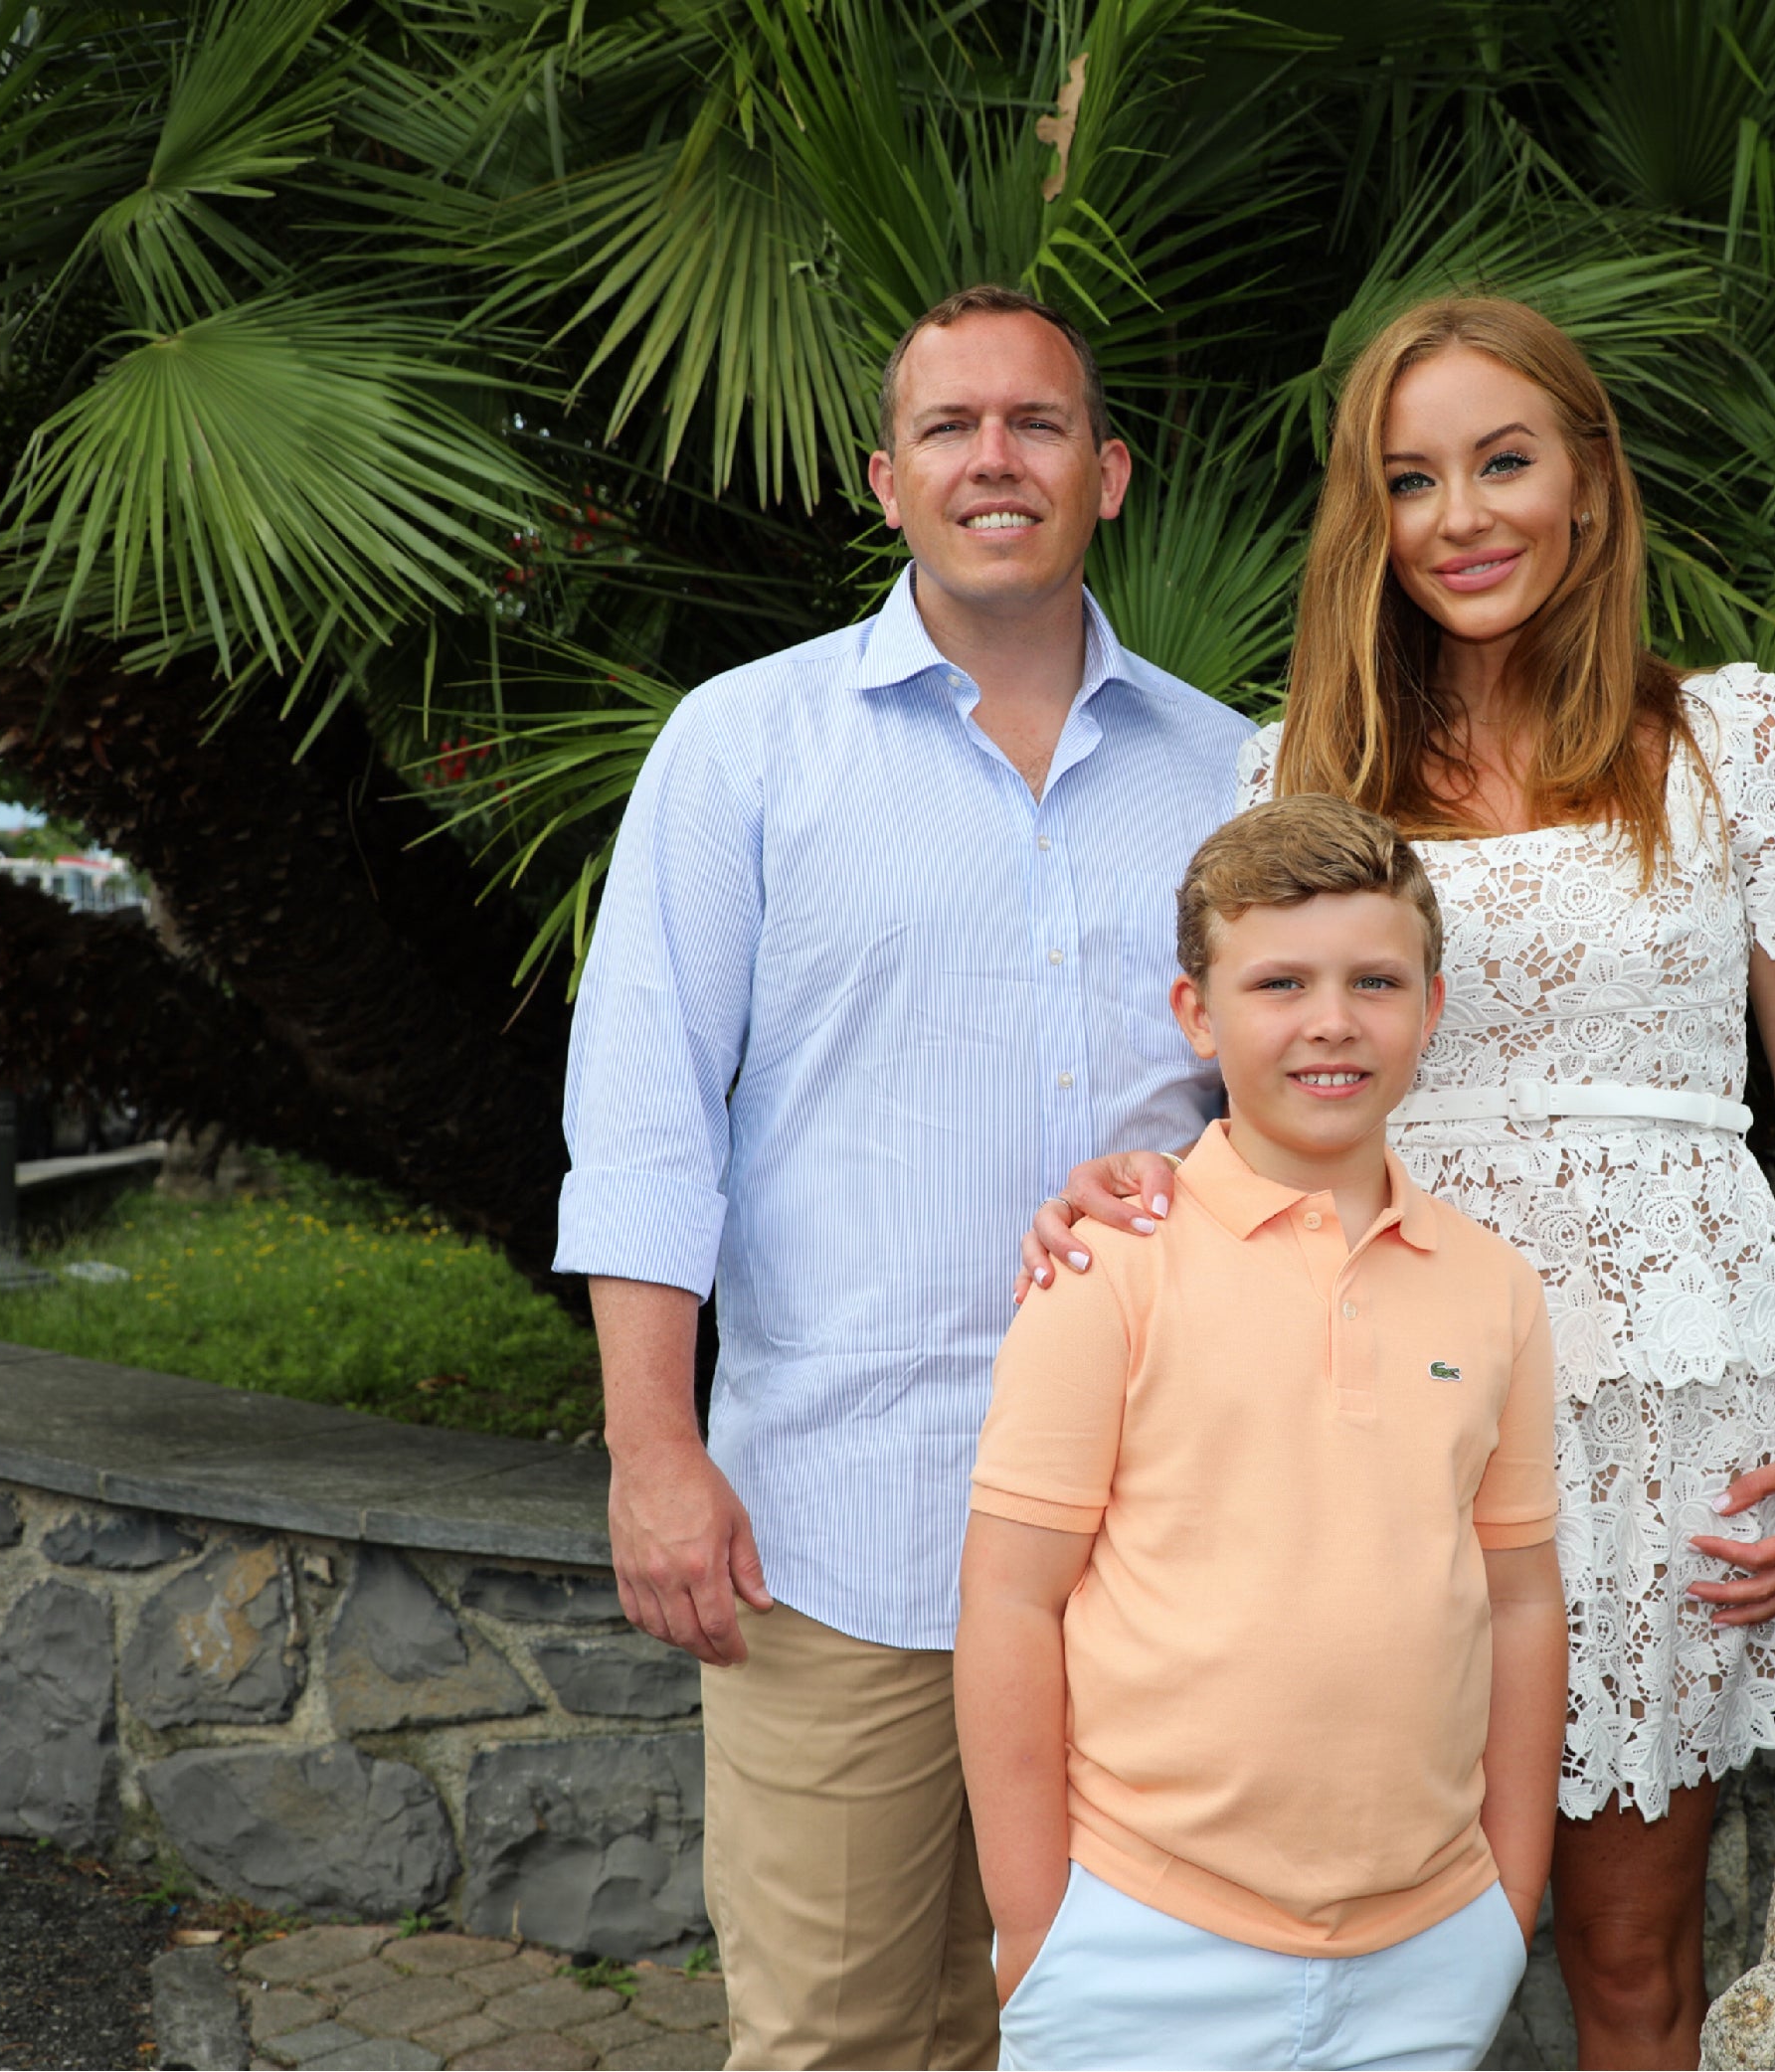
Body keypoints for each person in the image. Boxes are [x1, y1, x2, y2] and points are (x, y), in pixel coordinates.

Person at [1022, 296, 1775, 2067]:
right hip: (1384, 1400)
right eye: (1411, 479)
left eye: (1505, 461)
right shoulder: (1300, 765)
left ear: (1589, 480)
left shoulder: (1735, 737)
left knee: (1632, 1950)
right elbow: (1260, 1076)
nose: (1462, 516)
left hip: (1670, 1407)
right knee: (1356, 1923)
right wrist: (1124, 1182)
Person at [557, 283, 1253, 2069]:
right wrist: (654, 1450)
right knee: (840, 2039)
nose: (993, 459)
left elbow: (1301, 1105)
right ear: (886, 477)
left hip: (1150, 1538)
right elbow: (644, 1113)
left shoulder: (1230, 768)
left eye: (1035, 425)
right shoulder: (744, 746)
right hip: (838, 1531)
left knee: (1117, 2034)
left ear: (1108, 471)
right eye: (950, 427)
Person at [961, 794, 1566, 2071]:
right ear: (1198, 1012)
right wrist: (1036, 1921)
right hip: (1139, 1933)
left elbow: (1518, 1599)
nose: (1330, 1019)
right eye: (1278, 980)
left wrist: (1506, 1903)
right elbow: (1011, 1601)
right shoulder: (1109, 1266)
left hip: (1427, 1948)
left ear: (1432, 1007)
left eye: (1375, 979)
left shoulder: (1494, 1284)